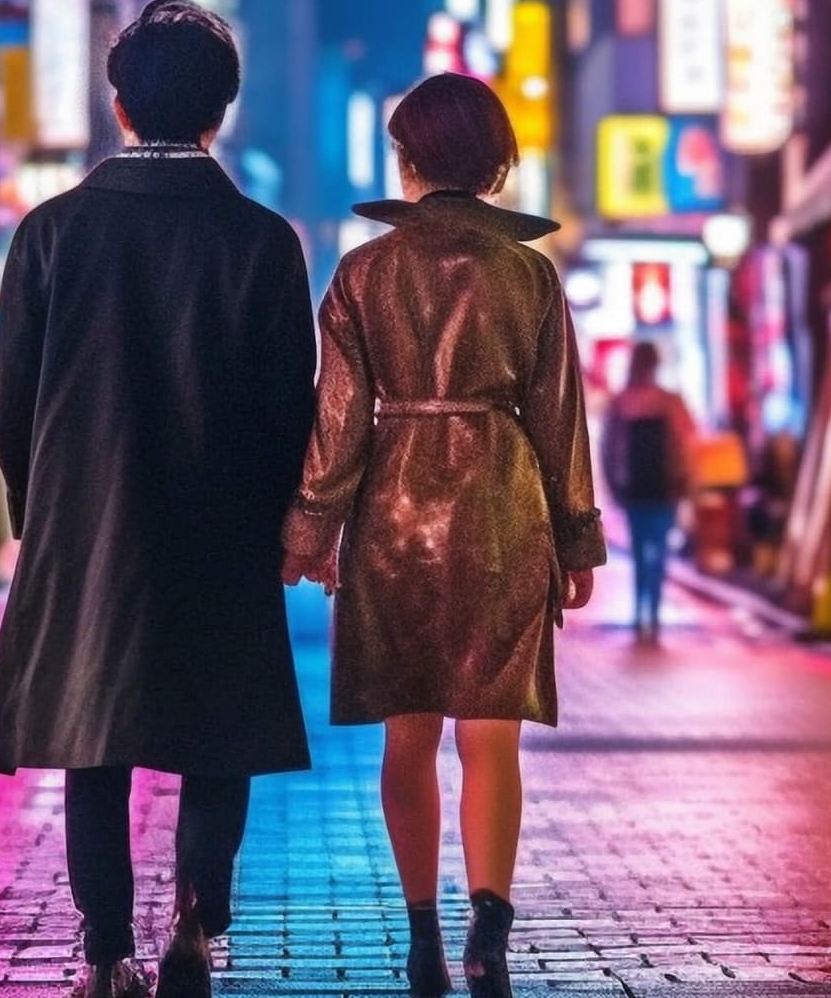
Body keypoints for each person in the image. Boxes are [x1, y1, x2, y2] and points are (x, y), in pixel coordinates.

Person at [0, 0, 317, 998]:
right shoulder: (260, 241)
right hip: (221, 522)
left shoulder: (50, 232)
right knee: (220, 729)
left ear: (118, 105)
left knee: (96, 734)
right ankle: (196, 934)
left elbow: (12, 395)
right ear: (222, 110)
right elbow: (284, 403)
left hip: (86, 523)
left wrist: (35, 514)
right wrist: (281, 519)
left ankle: (101, 951)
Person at [281, 73, 605, 998]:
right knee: (490, 739)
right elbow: (559, 419)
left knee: (408, 738)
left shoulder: (361, 274)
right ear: (497, 160)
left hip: (393, 511)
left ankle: (423, 930)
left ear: (409, 160)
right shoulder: (529, 274)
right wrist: (576, 539)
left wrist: (308, 533)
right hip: (504, 503)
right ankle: (489, 924)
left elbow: (337, 424)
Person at [601, 341, 696, 644]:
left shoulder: (621, 402)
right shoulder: (670, 401)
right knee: (659, 551)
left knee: (642, 553)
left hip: (635, 488)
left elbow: (608, 448)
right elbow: (685, 443)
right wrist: (685, 482)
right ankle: (651, 612)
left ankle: (642, 612)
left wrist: (613, 485)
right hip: (663, 487)